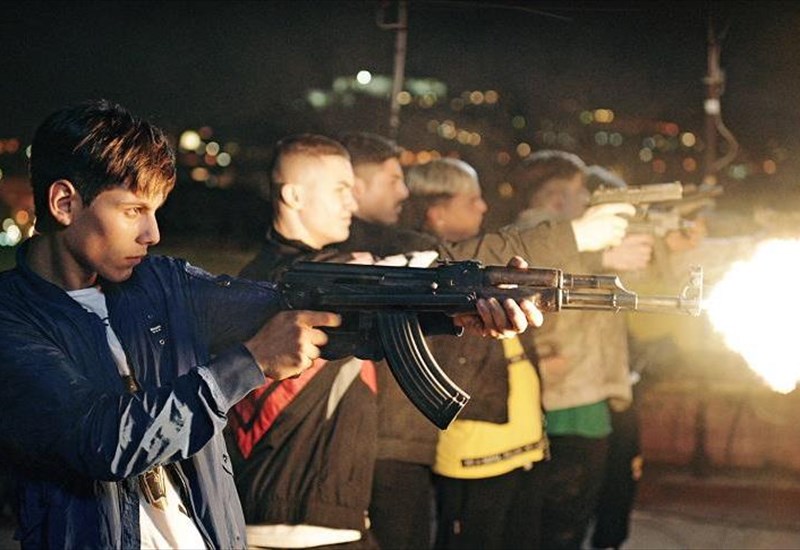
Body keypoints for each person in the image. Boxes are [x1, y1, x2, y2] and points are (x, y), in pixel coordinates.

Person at [0, 99, 344, 549]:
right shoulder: (12, 315)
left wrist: (407, 301)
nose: (152, 234)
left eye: (155, 211)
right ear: (65, 203)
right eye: (133, 211)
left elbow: (281, 305)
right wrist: (249, 364)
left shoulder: (162, 285)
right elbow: (101, 439)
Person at [338, 132, 637, 550]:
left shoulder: (407, 250)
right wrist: (576, 239)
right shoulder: (375, 251)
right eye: (391, 181)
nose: (483, 207)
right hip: (433, 446)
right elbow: (443, 267)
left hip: (499, 439)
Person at [227, 134, 379, 549]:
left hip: (318, 517)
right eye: (340, 189)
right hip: (292, 524)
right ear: (293, 195)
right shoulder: (285, 282)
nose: (352, 203)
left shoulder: (272, 275)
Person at [401, 158, 548, 550]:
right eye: (471, 200)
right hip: (472, 452)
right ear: (437, 212)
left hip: (522, 442)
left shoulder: (477, 266)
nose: (483, 207)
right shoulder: (421, 272)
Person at [510, 150, 654, 550]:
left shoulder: (564, 241)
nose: (587, 200)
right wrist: (602, 256)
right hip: (565, 403)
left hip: (581, 397)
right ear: (557, 199)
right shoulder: (536, 235)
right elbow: (540, 279)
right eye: (580, 192)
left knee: (569, 520)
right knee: (558, 526)